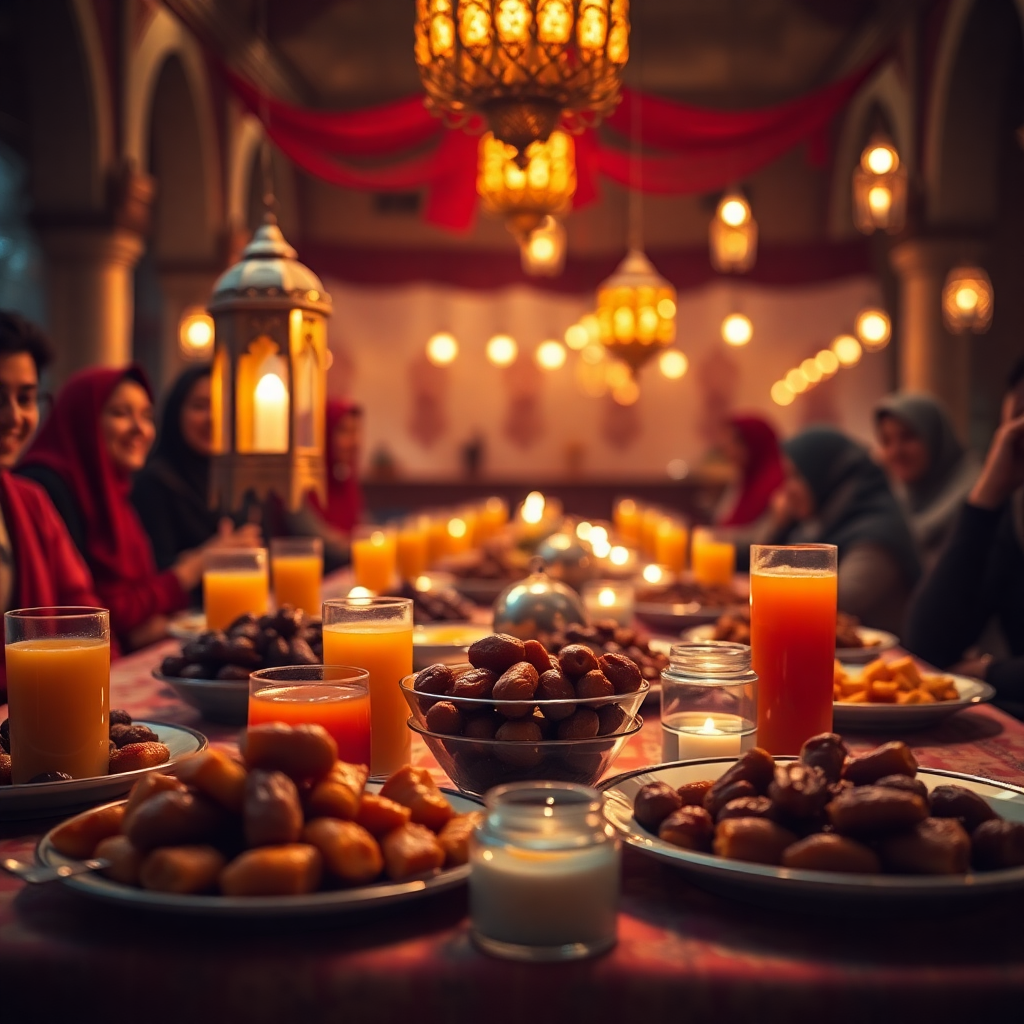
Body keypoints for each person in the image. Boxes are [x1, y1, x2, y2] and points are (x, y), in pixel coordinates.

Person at [17, 366, 252, 651]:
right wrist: (192, 567)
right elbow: (88, 615)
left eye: (146, 416)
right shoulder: (47, 489)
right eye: (120, 413)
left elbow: (137, 599)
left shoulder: (118, 491)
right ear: (84, 420)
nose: (140, 429)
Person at [905, 359, 1024, 717]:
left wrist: (991, 672)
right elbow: (928, 643)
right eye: (1013, 428)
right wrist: (986, 496)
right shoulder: (1014, 515)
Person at [0, 312, 105, 696]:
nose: (14, 417)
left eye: (26, 398)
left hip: (34, 713)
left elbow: (83, 612)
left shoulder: (31, 502)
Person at [769, 426, 920, 634]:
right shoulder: (826, 522)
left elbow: (829, 606)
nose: (786, 490)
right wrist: (780, 526)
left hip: (880, 663)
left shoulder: (876, 533)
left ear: (823, 475)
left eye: (796, 476)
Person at [131, 365, 259, 572]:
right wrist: (211, 554)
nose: (213, 419)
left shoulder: (244, 481)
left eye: (223, 407)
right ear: (176, 412)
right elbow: (155, 574)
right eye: (200, 406)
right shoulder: (153, 483)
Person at [873, 393, 979, 573]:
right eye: (886, 441)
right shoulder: (898, 500)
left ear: (935, 437)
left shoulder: (978, 499)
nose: (895, 451)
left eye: (908, 437)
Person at [275, 398, 363, 571]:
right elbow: (321, 540)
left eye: (356, 432)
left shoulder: (344, 479)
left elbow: (361, 526)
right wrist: (367, 547)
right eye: (344, 432)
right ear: (321, 434)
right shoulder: (296, 482)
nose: (354, 442)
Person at [714, 414, 786, 527]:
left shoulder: (777, 484)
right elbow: (721, 520)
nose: (730, 451)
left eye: (736, 442)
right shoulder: (744, 478)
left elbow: (762, 536)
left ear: (754, 442)